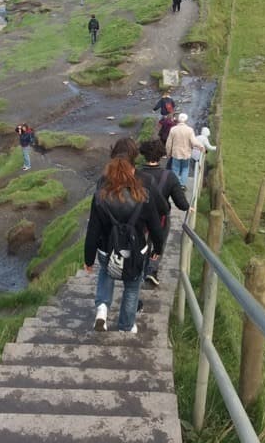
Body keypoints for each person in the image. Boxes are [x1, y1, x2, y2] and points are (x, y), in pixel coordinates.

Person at [84, 156, 163, 333]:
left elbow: (92, 231)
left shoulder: (99, 197)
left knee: (106, 273)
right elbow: (156, 228)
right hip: (136, 251)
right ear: (132, 174)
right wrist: (158, 249)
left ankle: (102, 309)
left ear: (110, 175)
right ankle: (126, 326)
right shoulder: (143, 196)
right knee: (132, 286)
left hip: (107, 249)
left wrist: (88, 260)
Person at [138, 138, 190, 286]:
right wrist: (188, 207)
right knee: (158, 243)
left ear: (143, 154)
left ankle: (140, 269)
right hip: (160, 218)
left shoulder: (136, 174)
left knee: (141, 243)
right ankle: (152, 269)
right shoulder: (169, 176)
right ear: (161, 155)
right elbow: (181, 203)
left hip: (138, 216)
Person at [165, 113, 205, 188]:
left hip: (176, 153)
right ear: (186, 120)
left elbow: (169, 143)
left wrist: (168, 153)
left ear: (178, 120)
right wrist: (201, 146)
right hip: (186, 154)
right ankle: (182, 185)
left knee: (175, 169)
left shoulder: (173, 129)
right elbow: (194, 141)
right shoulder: (190, 130)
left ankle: (175, 185)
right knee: (185, 169)